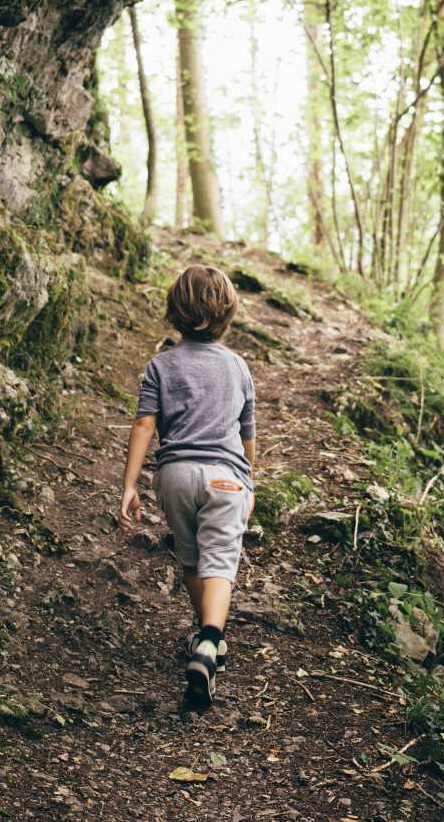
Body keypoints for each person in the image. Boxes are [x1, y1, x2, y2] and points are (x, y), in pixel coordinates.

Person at [118, 264, 257, 706]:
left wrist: (129, 485)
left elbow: (144, 424)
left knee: (192, 558)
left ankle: (205, 640)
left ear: (175, 313)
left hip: (175, 476)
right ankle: (211, 639)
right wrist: (247, 483)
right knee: (221, 562)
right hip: (226, 476)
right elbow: (248, 432)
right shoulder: (238, 366)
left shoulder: (160, 365)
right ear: (226, 315)